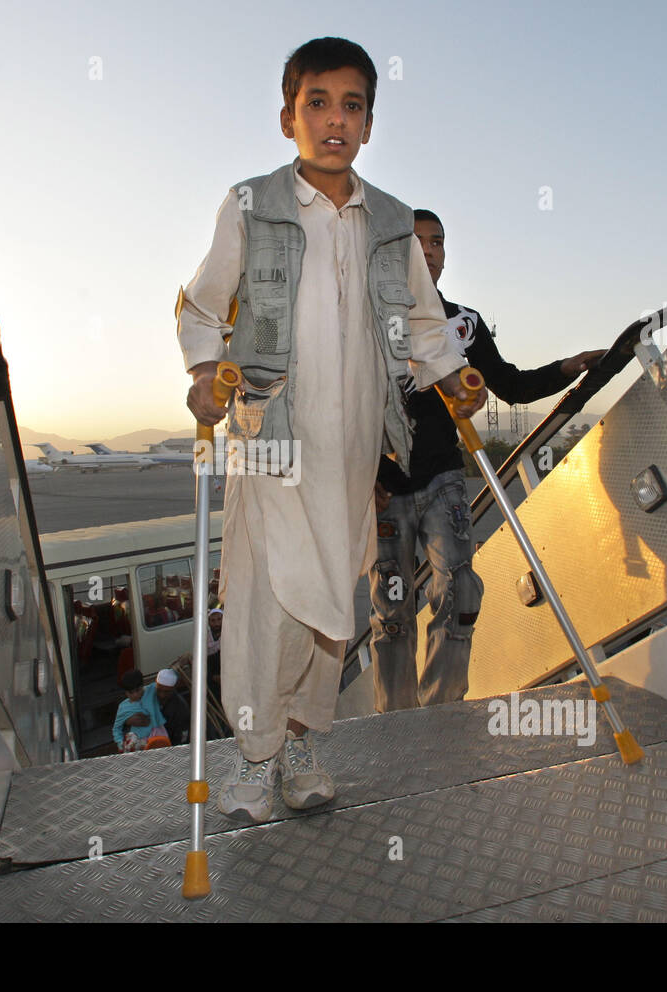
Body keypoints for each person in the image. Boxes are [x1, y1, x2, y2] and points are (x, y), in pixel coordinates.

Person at [178, 38, 485, 822]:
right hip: (270, 439)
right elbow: (203, 306)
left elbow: (423, 325)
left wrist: (456, 376)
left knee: (330, 608)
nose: (334, 120)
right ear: (289, 117)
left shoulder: (389, 220)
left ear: (370, 124)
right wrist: (201, 373)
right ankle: (254, 756)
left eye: (352, 105)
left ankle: (304, 742)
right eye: (318, 102)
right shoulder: (250, 202)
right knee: (263, 601)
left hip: (353, 452)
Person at [367, 208, 604, 711]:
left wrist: (569, 366)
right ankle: (394, 720)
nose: (429, 252)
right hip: (385, 486)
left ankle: (441, 710)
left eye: (438, 243)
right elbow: (344, 405)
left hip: (444, 479)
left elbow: (513, 385)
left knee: (459, 589)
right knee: (391, 611)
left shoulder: (464, 326)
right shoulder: (368, 324)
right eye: (417, 243)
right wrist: (361, 473)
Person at [113, 669, 169, 752]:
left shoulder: (151, 690)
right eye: (131, 692)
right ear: (125, 693)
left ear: (143, 686)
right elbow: (116, 729)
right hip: (139, 741)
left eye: (138, 690)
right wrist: (120, 743)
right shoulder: (123, 707)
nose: (135, 694)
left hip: (159, 734)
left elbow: (167, 678)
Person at [152, 668, 190, 746]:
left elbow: (182, 736)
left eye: (166, 692)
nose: (162, 695)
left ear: (174, 689)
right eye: (159, 690)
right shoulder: (149, 696)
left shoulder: (181, 708)